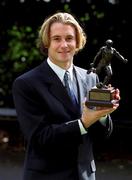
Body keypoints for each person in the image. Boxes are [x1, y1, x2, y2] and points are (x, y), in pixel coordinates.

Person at [12, 12, 120, 180]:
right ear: (47, 43)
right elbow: (40, 138)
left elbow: (101, 136)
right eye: (56, 39)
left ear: (77, 42)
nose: (64, 45)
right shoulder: (26, 84)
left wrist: (102, 115)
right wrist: (84, 122)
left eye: (69, 38)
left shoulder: (91, 77)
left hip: (85, 176)